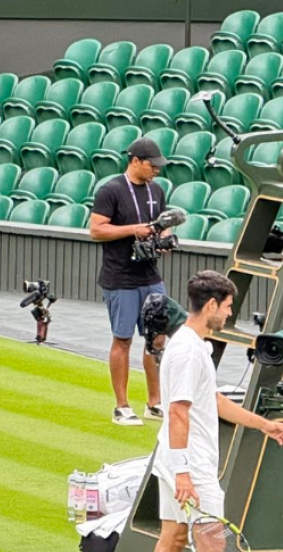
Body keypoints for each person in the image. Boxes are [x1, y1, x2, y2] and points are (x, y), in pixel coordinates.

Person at [146, 270, 283, 552]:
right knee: (210, 545)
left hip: (180, 459)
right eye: (227, 307)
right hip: (189, 464)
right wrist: (183, 472)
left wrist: (263, 425)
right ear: (210, 305)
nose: (229, 314)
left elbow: (212, 400)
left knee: (174, 538)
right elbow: (177, 413)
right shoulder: (187, 351)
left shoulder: (194, 346)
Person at [89, 138, 171, 426]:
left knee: (158, 338)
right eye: (152, 165)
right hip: (120, 277)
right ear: (135, 160)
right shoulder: (110, 190)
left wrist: (162, 239)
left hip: (151, 275)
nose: (156, 170)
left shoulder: (157, 190)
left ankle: (154, 402)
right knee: (122, 340)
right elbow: (96, 230)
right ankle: (121, 406)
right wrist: (132, 231)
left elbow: (161, 224)